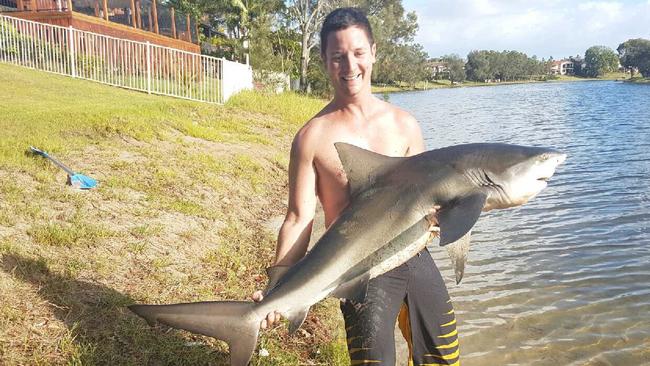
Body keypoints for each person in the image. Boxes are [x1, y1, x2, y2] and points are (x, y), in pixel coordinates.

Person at [252, 7, 459, 366]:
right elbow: (299, 218)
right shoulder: (312, 137)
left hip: (415, 255)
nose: (350, 66)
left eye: (359, 53)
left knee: (445, 358)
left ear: (374, 52)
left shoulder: (405, 125)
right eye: (338, 56)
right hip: (356, 271)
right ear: (324, 60)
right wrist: (279, 286)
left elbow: (431, 200)